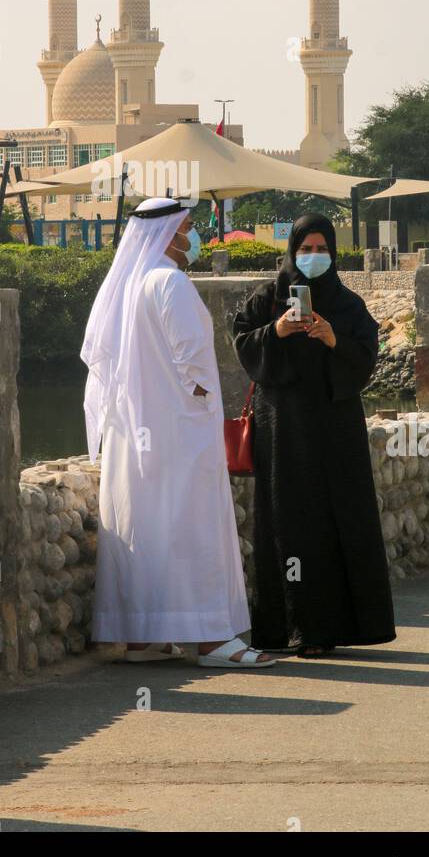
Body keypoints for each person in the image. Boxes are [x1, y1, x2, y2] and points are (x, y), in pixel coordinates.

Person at [83, 196, 276, 668]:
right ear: (168, 234)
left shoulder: (126, 287)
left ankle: (144, 639)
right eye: (188, 227)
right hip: (179, 435)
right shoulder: (170, 282)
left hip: (134, 436)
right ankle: (212, 642)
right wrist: (203, 410)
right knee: (195, 531)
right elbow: (194, 365)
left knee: (148, 530)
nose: (194, 236)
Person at [232, 213, 396, 656]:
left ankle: (329, 629)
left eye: (322, 250)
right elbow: (243, 344)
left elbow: (365, 355)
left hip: (334, 430)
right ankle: (285, 627)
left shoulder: (346, 304)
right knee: (286, 523)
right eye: (305, 250)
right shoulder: (267, 299)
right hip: (281, 430)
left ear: (334, 254)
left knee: (335, 520)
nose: (313, 257)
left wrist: (332, 339)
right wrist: (277, 331)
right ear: (292, 252)